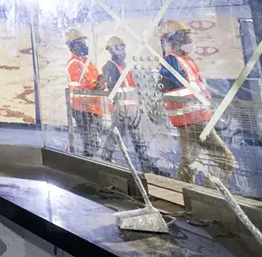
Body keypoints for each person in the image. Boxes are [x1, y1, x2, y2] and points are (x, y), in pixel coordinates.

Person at [159, 20, 236, 184]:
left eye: (188, 36)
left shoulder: (186, 60)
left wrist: (207, 105)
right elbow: (170, 91)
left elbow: (198, 87)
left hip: (196, 117)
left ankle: (187, 197)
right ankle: (210, 195)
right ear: (173, 40)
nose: (188, 41)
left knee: (191, 163)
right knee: (225, 161)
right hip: (193, 120)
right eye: (183, 36)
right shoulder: (171, 62)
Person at [98, 36, 154, 172]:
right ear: (110, 50)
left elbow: (132, 89)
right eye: (117, 48)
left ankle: (147, 166)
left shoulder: (125, 66)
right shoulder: (110, 66)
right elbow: (114, 88)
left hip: (132, 109)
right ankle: (105, 158)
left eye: (122, 47)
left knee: (137, 138)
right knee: (117, 135)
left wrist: (138, 107)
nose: (121, 50)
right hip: (121, 110)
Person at [65, 29, 109, 157]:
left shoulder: (87, 62)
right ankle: (89, 164)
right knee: (90, 143)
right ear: (72, 46)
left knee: (94, 142)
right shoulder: (74, 64)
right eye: (80, 43)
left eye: (84, 42)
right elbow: (82, 90)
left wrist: (101, 82)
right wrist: (98, 86)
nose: (84, 45)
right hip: (84, 110)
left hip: (94, 108)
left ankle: (92, 160)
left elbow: (100, 77)